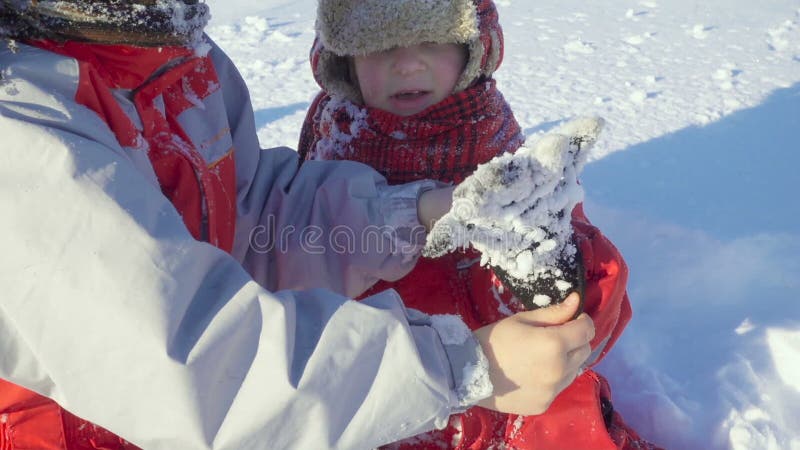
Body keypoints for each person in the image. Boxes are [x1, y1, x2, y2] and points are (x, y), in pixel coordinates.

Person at [0, 1, 597, 449]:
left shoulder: (170, 52)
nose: (405, 63)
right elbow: (184, 359)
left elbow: (249, 213)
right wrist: (459, 368)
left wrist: (417, 210)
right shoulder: (21, 112)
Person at [298, 0, 660, 448]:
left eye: (432, 40)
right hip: (386, 403)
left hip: (515, 398)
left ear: (474, 49)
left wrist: (550, 264)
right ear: (342, 62)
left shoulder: (495, 147)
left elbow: (590, 328)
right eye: (379, 45)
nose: (408, 63)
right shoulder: (326, 170)